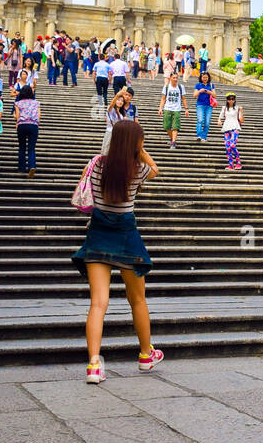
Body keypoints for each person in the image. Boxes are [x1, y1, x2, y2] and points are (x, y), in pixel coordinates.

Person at [74, 120, 162, 383]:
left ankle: (93, 365)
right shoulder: (139, 169)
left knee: (98, 303)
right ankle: (146, 355)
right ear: (136, 142)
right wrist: (140, 150)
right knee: (138, 300)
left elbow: (83, 186)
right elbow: (156, 169)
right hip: (126, 236)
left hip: (99, 233)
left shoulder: (97, 163)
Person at [14, 85, 40, 178]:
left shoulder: (18, 103)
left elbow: (17, 116)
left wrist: (17, 123)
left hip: (22, 125)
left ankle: (21, 168)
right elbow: (38, 116)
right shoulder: (36, 103)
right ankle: (32, 166)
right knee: (31, 148)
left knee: (22, 147)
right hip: (33, 125)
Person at [158, 71, 187, 149]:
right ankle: (172, 139)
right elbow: (163, 98)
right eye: (173, 78)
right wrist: (160, 108)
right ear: (170, 78)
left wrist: (186, 109)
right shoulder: (166, 87)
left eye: (176, 78)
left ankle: (173, 142)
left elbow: (183, 99)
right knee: (167, 127)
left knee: (175, 127)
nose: (175, 79)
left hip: (177, 109)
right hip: (167, 108)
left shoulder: (181, 87)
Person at [103, 88, 134, 154]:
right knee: (106, 151)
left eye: (122, 101)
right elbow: (112, 104)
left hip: (119, 135)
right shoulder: (111, 109)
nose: (120, 102)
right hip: (110, 133)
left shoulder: (121, 115)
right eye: (118, 100)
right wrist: (118, 95)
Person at [220, 92, 244, 169]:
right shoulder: (224, 108)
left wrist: (241, 111)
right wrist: (219, 121)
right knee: (227, 147)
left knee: (232, 145)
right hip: (226, 128)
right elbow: (220, 117)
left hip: (235, 127)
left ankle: (238, 163)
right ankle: (231, 164)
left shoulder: (237, 108)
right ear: (227, 100)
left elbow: (241, 120)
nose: (231, 101)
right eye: (229, 99)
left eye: (233, 99)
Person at [194, 70, 217, 141]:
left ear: (208, 78)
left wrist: (208, 92)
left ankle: (204, 137)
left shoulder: (211, 85)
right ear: (201, 78)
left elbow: (214, 95)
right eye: (203, 77)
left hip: (209, 105)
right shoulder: (198, 85)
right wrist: (200, 91)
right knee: (200, 120)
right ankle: (199, 135)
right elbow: (194, 95)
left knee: (207, 122)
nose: (205, 79)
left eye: (206, 77)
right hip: (200, 104)